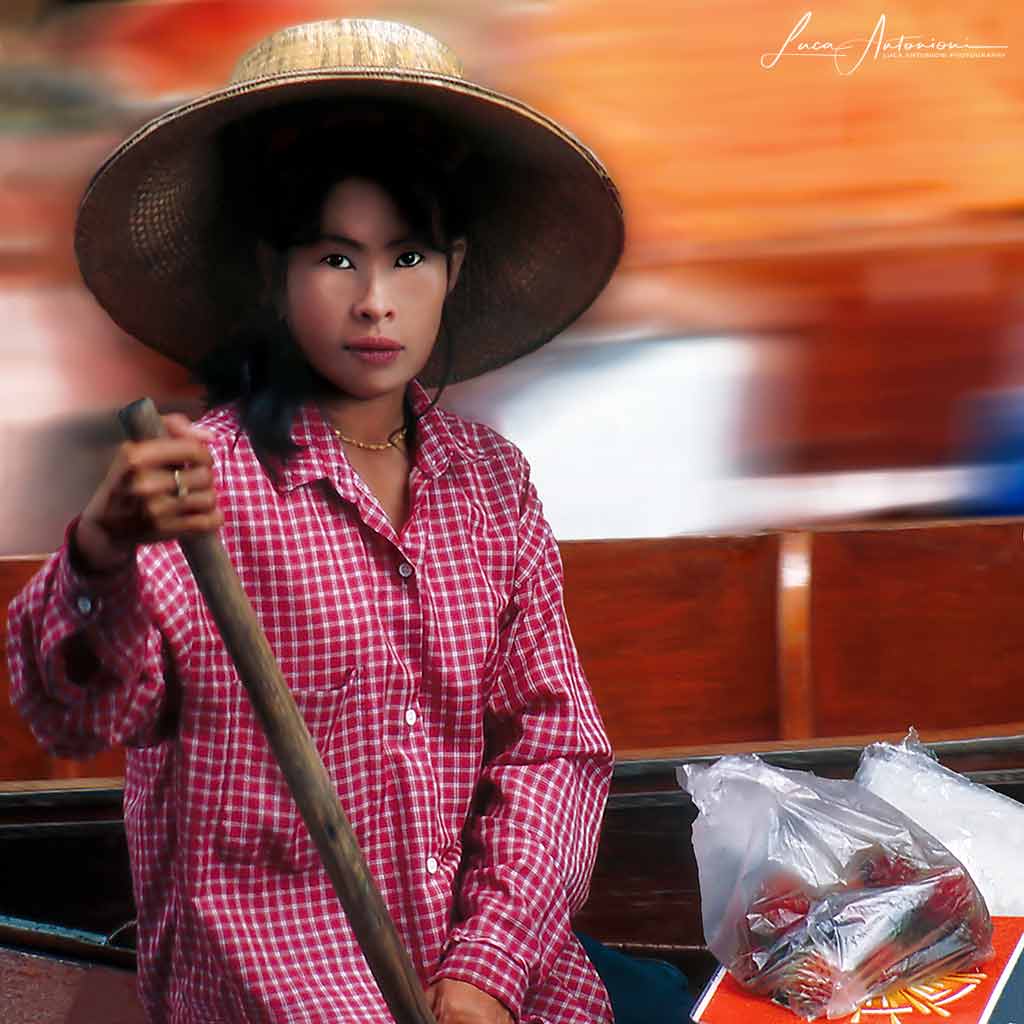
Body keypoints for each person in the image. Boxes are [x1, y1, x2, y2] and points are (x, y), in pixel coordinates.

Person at [6, 17, 637, 1024]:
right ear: (272, 273)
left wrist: (486, 971)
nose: (377, 303)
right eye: (336, 260)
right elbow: (74, 713)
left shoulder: (491, 482)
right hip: (277, 991)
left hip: (493, 982)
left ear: (456, 268)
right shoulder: (196, 484)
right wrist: (102, 548)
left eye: (409, 257)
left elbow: (552, 746)